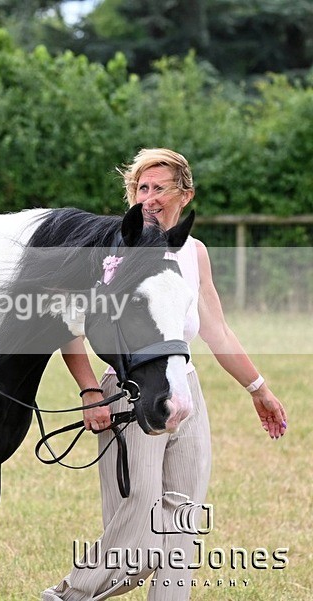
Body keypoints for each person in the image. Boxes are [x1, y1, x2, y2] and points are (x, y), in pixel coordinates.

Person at [44, 148, 287, 601]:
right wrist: (91, 391)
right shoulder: (108, 245)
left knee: (183, 519)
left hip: (184, 385)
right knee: (137, 522)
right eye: (142, 188)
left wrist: (259, 389)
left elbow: (215, 329)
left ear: (185, 195)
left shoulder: (194, 253)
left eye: (160, 188)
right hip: (134, 389)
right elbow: (67, 323)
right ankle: (69, 597)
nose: (149, 198)